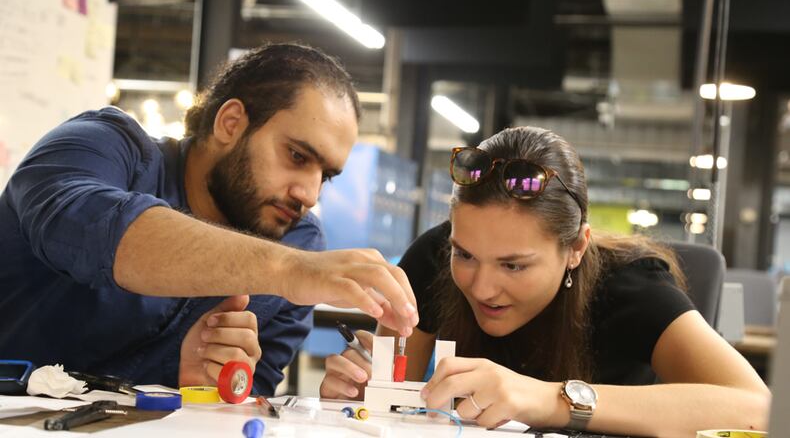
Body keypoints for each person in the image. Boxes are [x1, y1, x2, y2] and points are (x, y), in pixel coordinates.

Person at [0, 43, 418, 395]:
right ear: (230, 123)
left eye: (325, 175)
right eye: (296, 156)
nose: (309, 194)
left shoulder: (299, 239)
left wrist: (203, 387)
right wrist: (289, 270)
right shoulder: (105, 147)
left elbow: (252, 393)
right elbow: (93, 231)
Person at [320, 126, 770, 436]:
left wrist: (547, 399)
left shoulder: (631, 287)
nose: (481, 287)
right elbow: (393, 402)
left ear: (576, 248)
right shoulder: (434, 257)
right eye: (466, 254)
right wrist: (362, 396)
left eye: (514, 265)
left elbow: (758, 412)